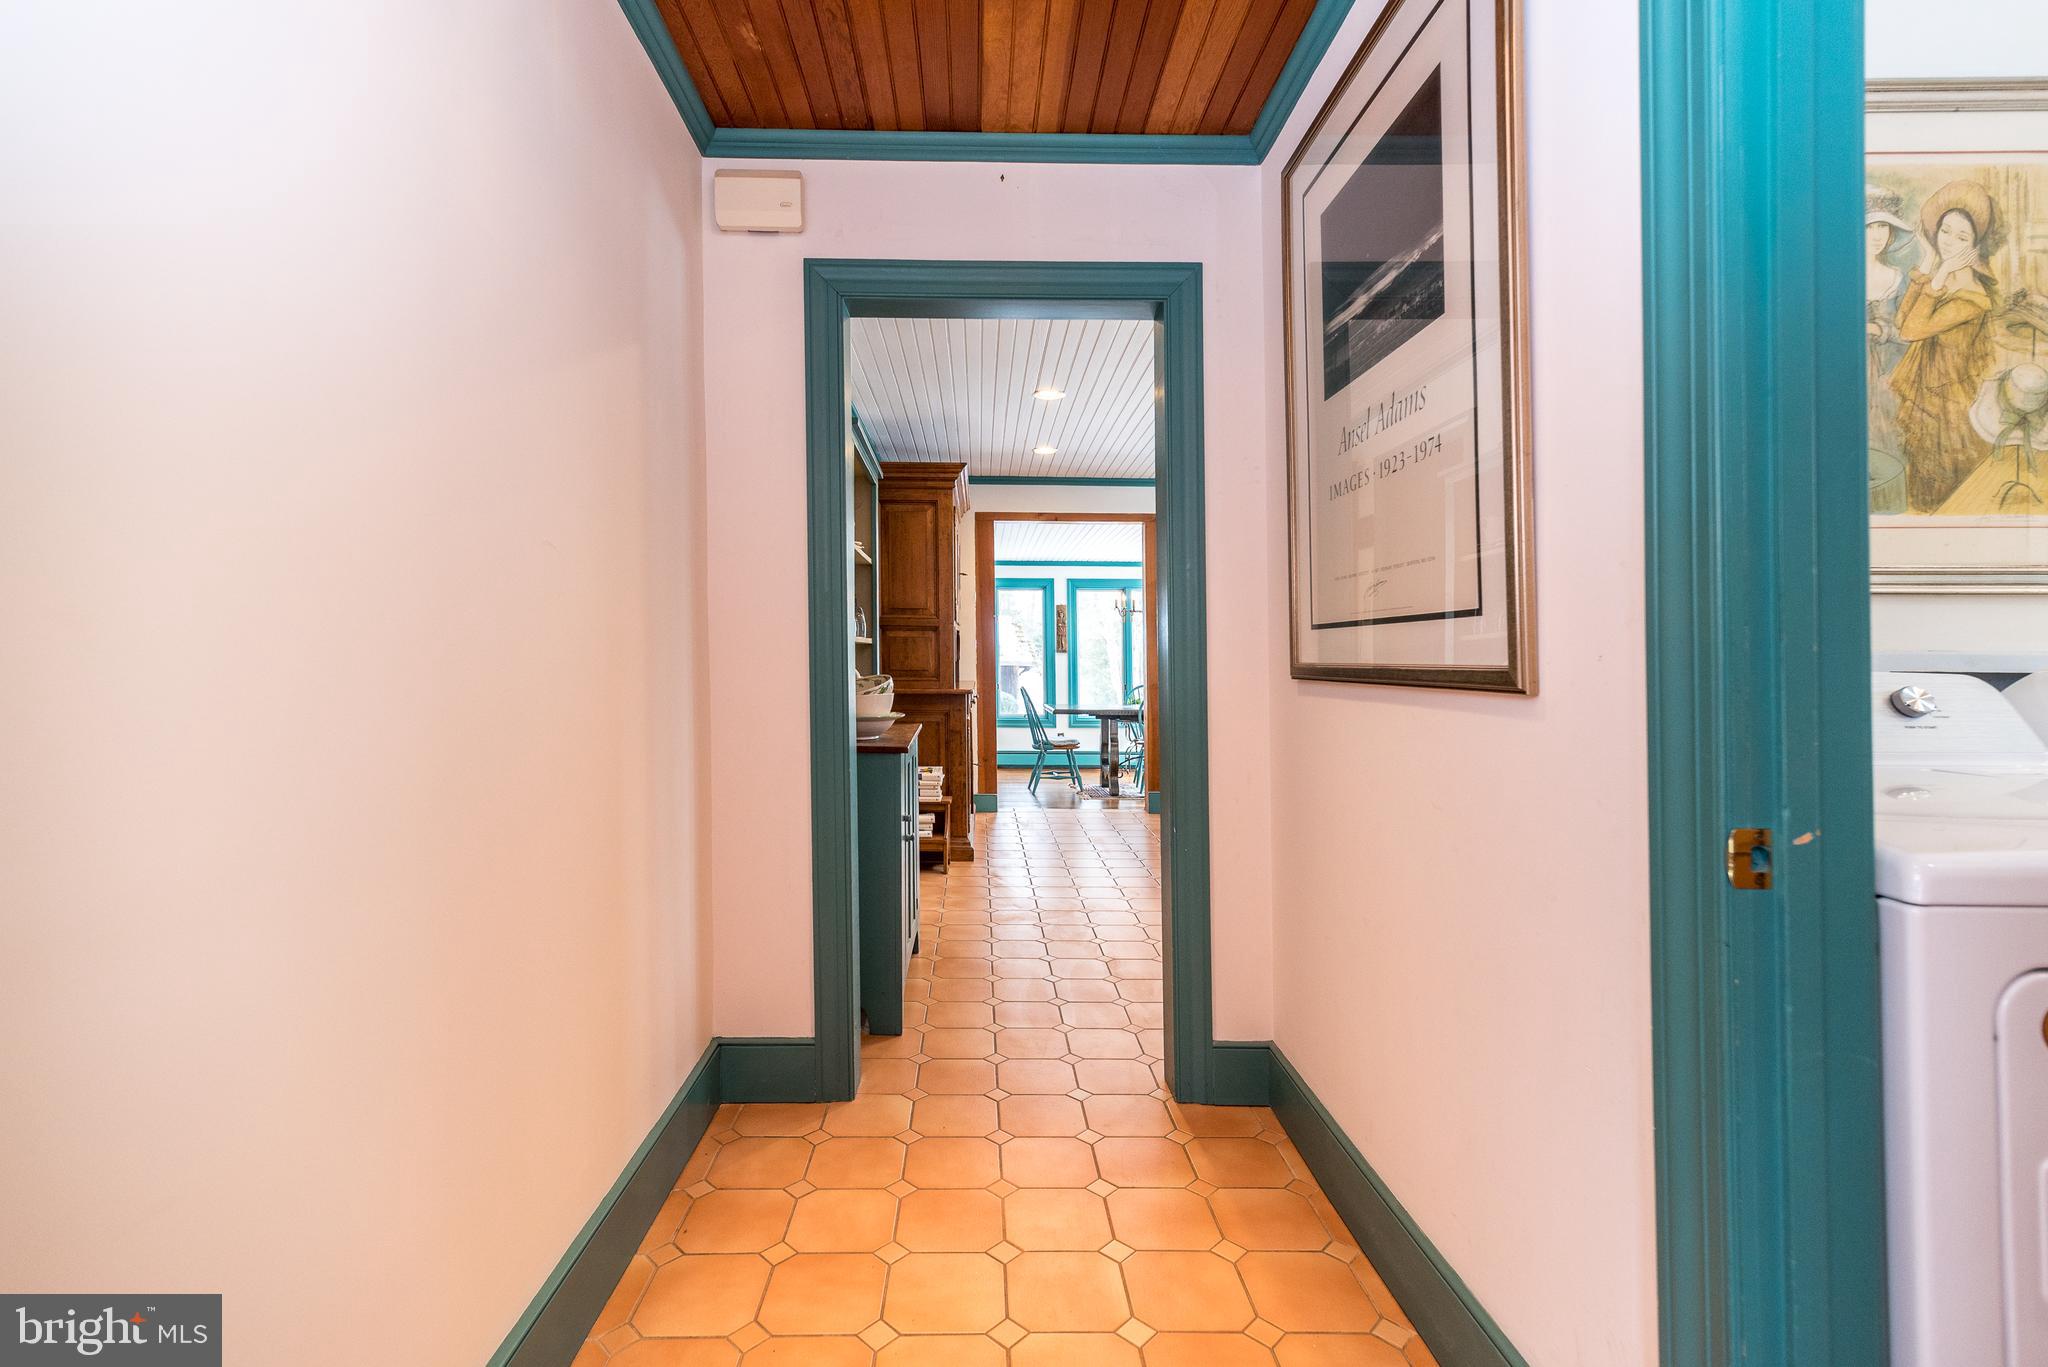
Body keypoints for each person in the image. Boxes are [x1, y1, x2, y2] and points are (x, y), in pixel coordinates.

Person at [1889, 180, 2002, 512]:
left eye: (1962, 237)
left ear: (1976, 246)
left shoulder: (1972, 296)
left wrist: (1937, 277)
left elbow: (1910, 330)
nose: (1949, 242)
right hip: (1927, 385)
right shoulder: (1947, 276)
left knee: (1945, 474)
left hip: (1948, 395)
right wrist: (1927, 262)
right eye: (1945, 232)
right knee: (1921, 466)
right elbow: (1900, 323)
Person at [1865, 185, 1916, 512]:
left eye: (1884, 226)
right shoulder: (1831, 271)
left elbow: (1903, 331)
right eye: (1870, 226)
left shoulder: (1893, 276)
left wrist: (1877, 329)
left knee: (1880, 433)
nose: (1878, 235)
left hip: (1878, 368)